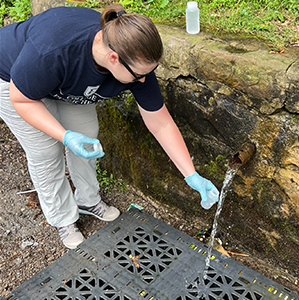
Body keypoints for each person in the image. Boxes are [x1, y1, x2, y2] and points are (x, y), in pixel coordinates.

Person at [0, 4, 218, 249]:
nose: (144, 81)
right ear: (113, 58)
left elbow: (160, 122)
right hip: (15, 80)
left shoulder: (136, 61)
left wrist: (191, 174)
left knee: (87, 137)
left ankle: (88, 200)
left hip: (66, 84)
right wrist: (64, 135)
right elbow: (22, 99)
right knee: (46, 151)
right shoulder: (53, 51)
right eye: (138, 76)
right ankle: (63, 218)